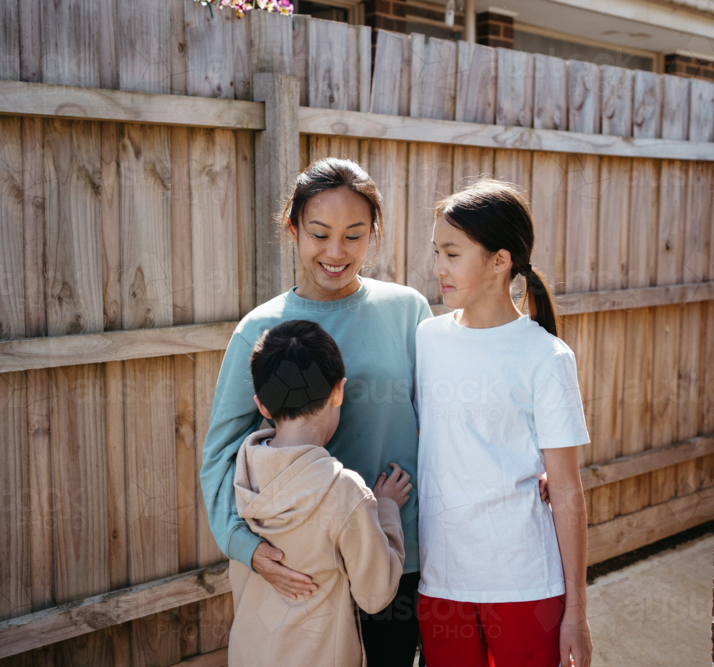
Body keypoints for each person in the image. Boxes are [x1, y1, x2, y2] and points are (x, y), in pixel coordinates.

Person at [200, 158, 433, 665]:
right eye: (319, 233)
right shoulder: (259, 329)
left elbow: (444, 421)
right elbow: (218, 455)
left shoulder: (409, 310)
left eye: (354, 235)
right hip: (302, 565)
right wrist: (247, 548)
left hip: (397, 551)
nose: (335, 252)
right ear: (293, 229)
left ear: (374, 233)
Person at [415, 179, 594, 667]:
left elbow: (567, 491)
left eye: (452, 254)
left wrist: (576, 614)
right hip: (441, 580)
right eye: (437, 252)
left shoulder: (546, 357)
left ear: (500, 261)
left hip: (525, 584)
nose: (438, 268)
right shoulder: (426, 339)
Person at [228, 319, 412, 667]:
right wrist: (386, 509)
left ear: (263, 407)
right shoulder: (344, 491)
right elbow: (375, 594)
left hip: (250, 654)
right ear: (339, 391)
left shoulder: (243, 469)